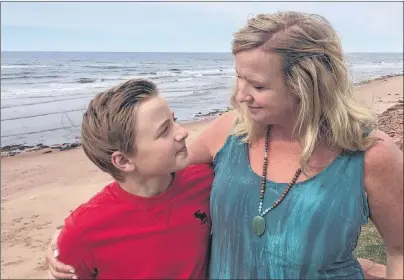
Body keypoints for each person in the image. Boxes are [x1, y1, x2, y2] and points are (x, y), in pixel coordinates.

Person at [47, 11, 403, 279]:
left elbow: (399, 250)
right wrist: (77, 231)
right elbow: (146, 179)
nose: (239, 95)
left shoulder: (372, 157)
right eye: (238, 77)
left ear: (308, 87)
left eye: (258, 86)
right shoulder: (230, 132)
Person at [49, 78, 214, 279]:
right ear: (124, 161)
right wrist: (64, 242)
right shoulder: (84, 231)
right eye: (164, 130)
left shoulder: (205, 181)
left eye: (174, 120)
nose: (182, 132)